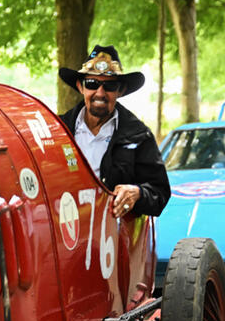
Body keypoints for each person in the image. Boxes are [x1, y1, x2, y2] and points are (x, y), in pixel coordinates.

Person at [58, 45, 170, 218]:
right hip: (64, 232)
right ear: (81, 87)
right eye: (92, 84)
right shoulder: (57, 131)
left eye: (110, 86)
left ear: (121, 91)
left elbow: (160, 193)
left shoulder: (139, 136)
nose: (100, 93)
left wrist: (137, 193)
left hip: (113, 238)